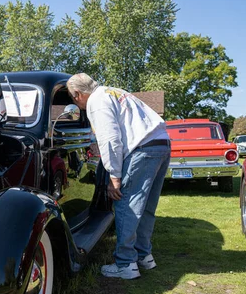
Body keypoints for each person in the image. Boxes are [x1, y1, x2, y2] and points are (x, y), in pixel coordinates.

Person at [67, 73, 171, 280]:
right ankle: (144, 255)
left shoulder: (96, 102)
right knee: (146, 206)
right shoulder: (112, 92)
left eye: (73, 98)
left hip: (141, 149)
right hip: (161, 144)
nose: (75, 103)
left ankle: (126, 264)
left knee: (127, 206)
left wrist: (114, 177)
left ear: (78, 93)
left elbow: (110, 139)